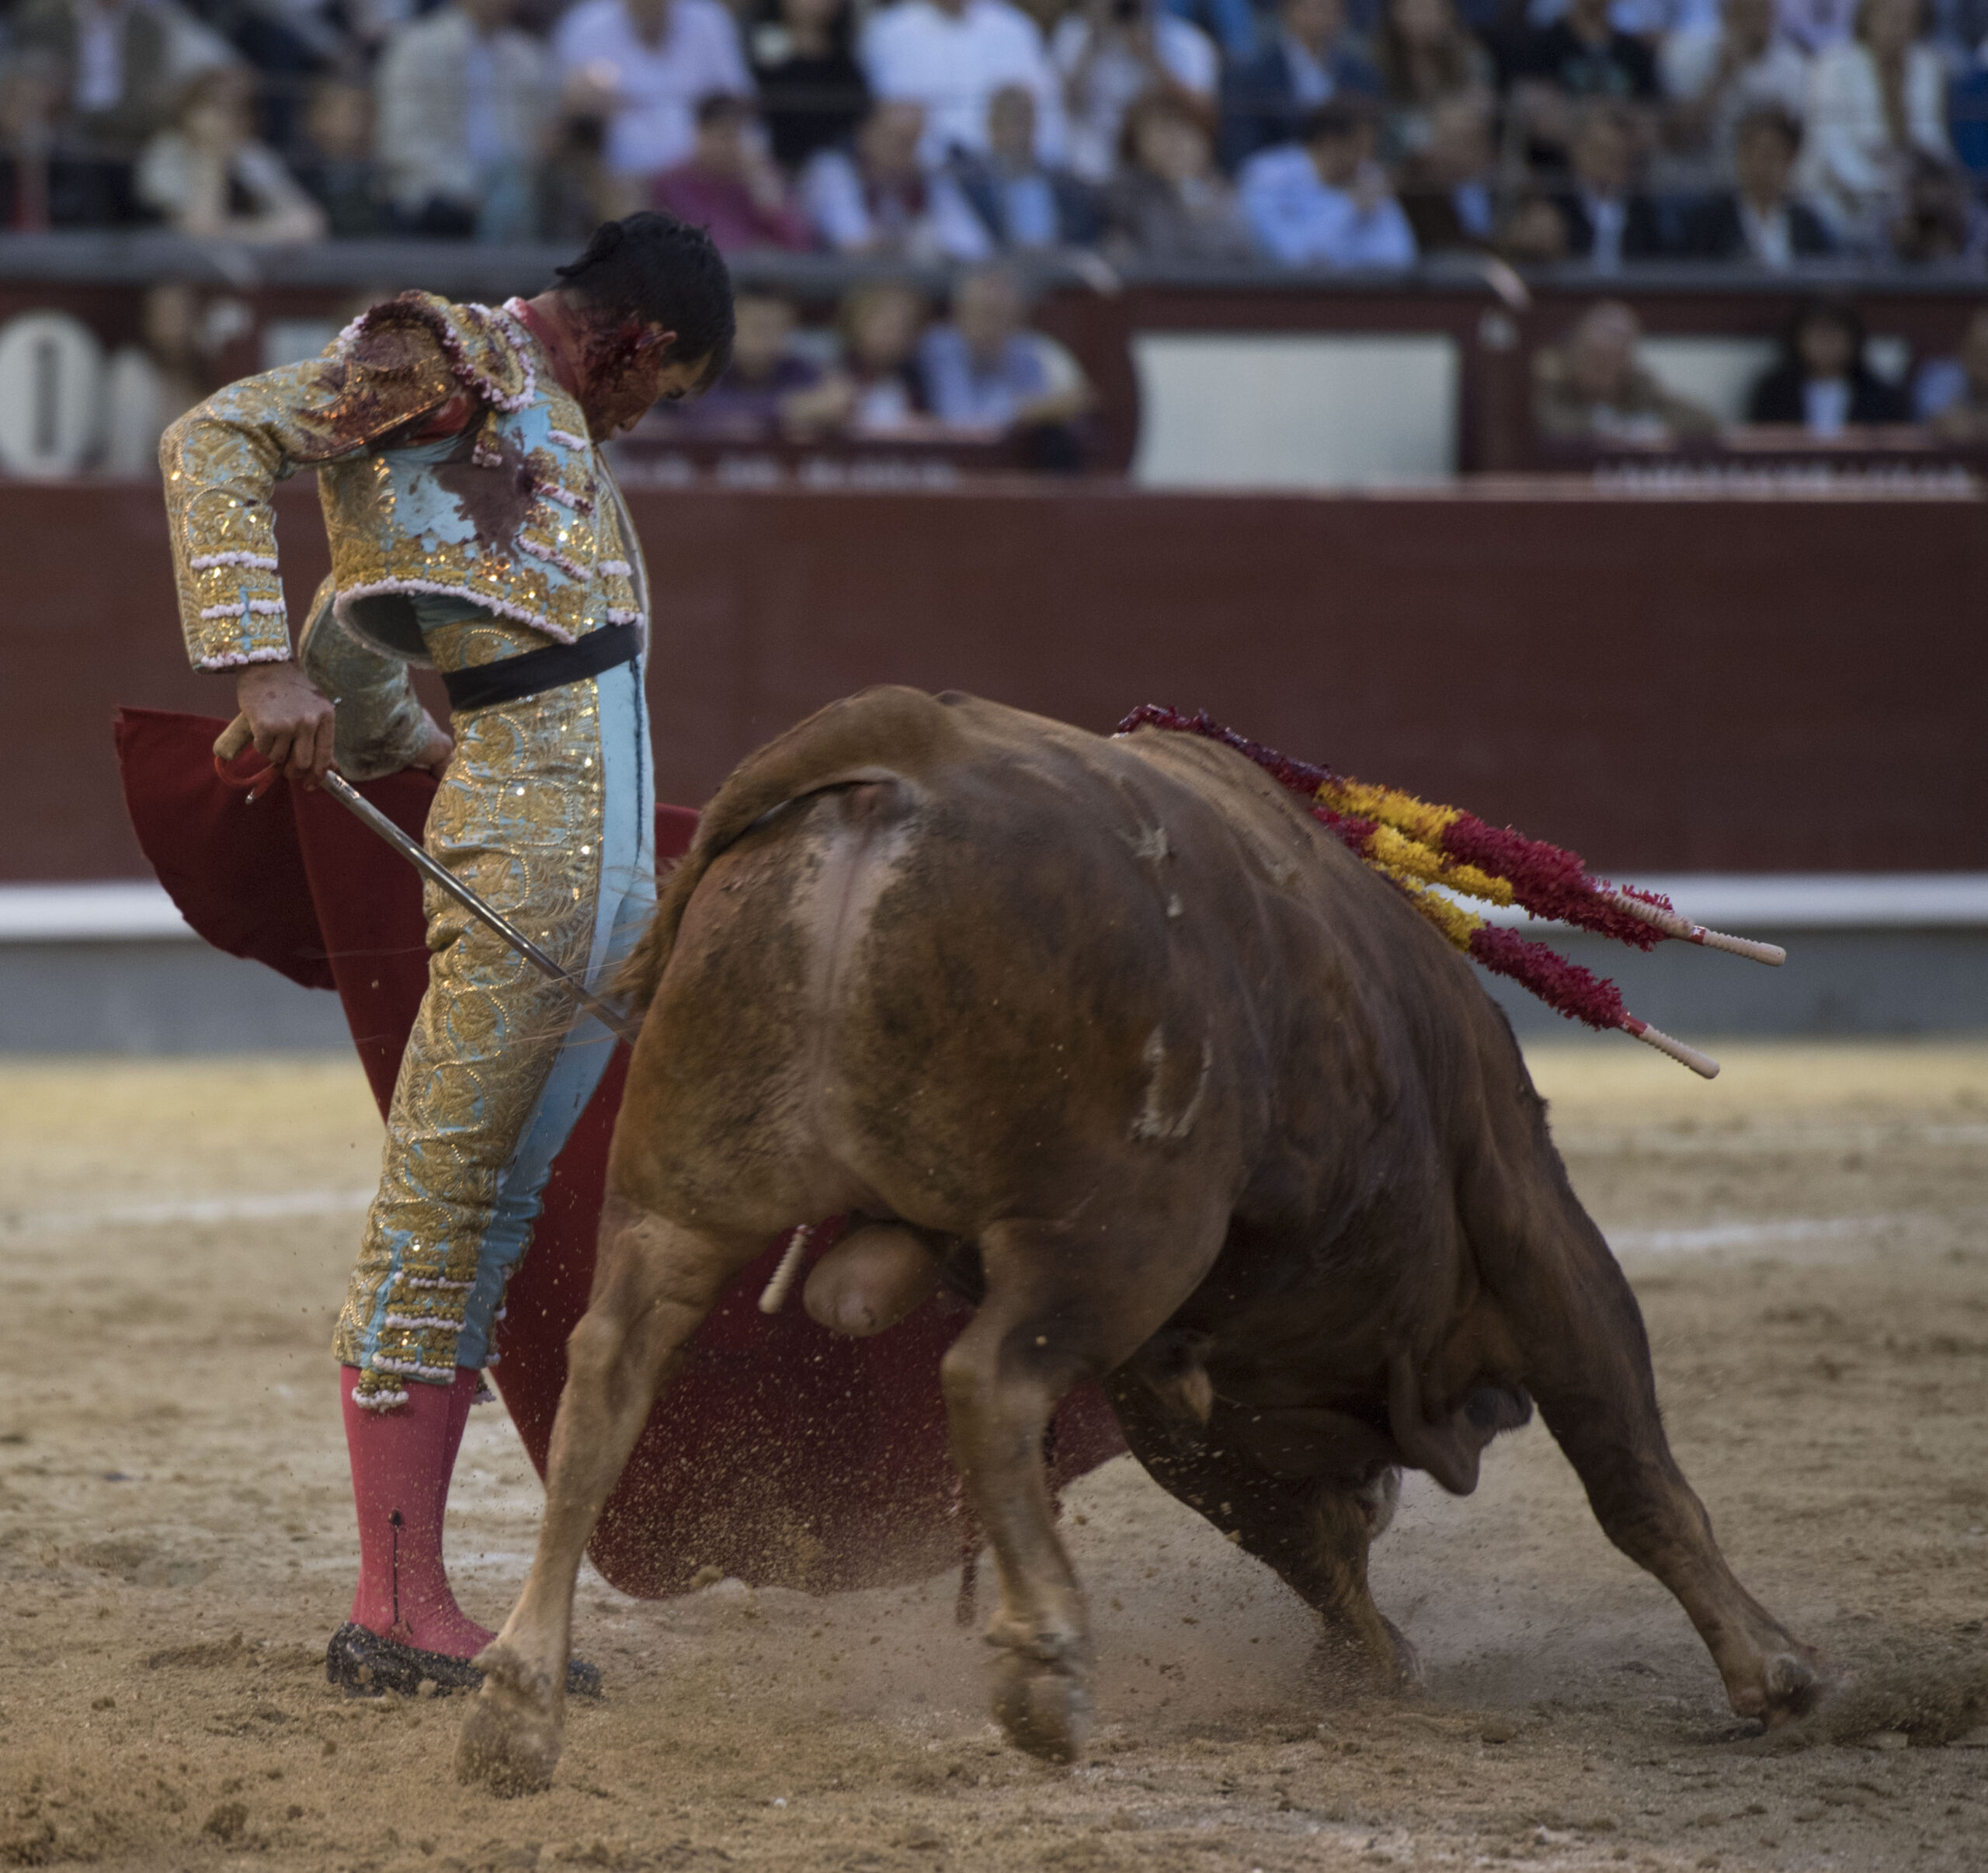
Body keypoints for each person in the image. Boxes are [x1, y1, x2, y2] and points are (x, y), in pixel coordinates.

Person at [156, 211, 734, 1697]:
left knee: (489, 1208)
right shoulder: (446, 351)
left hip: (590, 881)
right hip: (530, 873)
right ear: (641, 341)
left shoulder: (525, 413)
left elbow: (373, 629)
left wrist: (374, 721)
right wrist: (255, 661)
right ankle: (394, 1605)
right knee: (444, 1199)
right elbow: (213, 438)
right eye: (654, 394)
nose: (638, 421)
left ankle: (415, 1594)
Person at [375, 0, 552, 242]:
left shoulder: (528, 55)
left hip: (513, 198)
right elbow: (402, 143)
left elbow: (540, 140)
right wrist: (473, 187)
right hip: (435, 199)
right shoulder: (416, 46)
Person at [1797, 0, 1952, 244]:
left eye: (1909, 19)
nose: (1901, 27)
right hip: (1838, 201)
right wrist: (1891, 195)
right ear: (1867, 17)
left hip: (1911, 203)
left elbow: (1933, 144)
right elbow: (1835, 154)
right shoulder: (1833, 65)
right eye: (1893, 17)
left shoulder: (1926, 65)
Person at [553, 0, 752, 181]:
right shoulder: (585, 26)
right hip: (621, 178)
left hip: (708, 172)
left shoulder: (709, 19)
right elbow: (568, 112)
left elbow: (738, 99)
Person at [917, 263, 1094, 464]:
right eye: (985, 312)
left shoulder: (1023, 351)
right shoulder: (941, 346)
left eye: (1003, 315)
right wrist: (1029, 410)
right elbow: (960, 423)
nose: (993, 325)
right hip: (947, 469)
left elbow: (1043, 413)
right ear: (959, 311)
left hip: (1010, 466)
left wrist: (1042, 410)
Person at [858, 0, 1064, 166]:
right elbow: (886, 127)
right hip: (930, 182)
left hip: (1004, 177)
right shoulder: (889, 32)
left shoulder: (1014, 27)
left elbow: (1046, 116)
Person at [135, 64, 326, 242]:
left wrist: (233, 233)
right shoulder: (167, 150)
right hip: (175, 262)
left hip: (243, 260)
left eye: (235, 111)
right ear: (189, 109)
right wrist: (210, 159)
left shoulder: (249, 153)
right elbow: (198, 228)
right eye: (213, 107)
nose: (224, 120)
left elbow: (308, 222)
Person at [1049, 0, 1219, 183]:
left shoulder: (1187, 42)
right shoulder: (1072, 34)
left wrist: (1150, 57)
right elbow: (1062, 107)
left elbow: (1201, 117)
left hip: (1157, 161)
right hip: (1091, 161)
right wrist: (1094, 40)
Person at [1237, 97, 1419, 266]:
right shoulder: (1267, 176)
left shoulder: (1368, 176)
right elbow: (1290, 256)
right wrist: (1349, 208)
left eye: (1369, 150)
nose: (1364, 159)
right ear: (1328, 141)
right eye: (1358, 148)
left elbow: (1400, 255)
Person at [655, 288, 855, 437]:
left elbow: (837, 400)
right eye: (758, 328)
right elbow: (704, 412)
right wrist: (786, 409)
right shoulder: (700, 367)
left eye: (779, 329)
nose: (768, 338)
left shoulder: (795, 368)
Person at [933, 82, 1102, 252]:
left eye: (1024, 121)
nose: (1018, 133)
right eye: (1009, 122)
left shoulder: (1063, 183)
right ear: (991, 127)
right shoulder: (974, 185)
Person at [1218, 0, 1382, 171]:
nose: (1322, 14)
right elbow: (1242, 153)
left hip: (1348, 184)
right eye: (1314, 6)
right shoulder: (1250, 76)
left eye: (1332, 8)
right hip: (1275, 188)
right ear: (1289, 9)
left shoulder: (1362, 76)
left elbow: (1370, 147)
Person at [1100, 85, 1256, 261]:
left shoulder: (1224, 195)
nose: (1175, 142)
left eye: (1187, 130)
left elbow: (1239, 259)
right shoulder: (1120, 199)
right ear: (1136, 143)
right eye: (1162, 130)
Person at [1532, 299, 1719, 441]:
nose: (1605, 369)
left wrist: (1644, 426)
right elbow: (1542, 420)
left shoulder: (1637, 386)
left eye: (1615, 361)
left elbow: (1705, 421)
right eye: (1597, 359)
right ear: (1576, 351)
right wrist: (1601, 425)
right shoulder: (1550, 380)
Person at [1659, 0, 1811, 170]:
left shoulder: (1795, 67)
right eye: (1744, 13)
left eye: (1759, 12)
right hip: (1708, 175)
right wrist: (1721, 76)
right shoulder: (1692, 56)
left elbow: (1801, 142)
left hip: (1768, 177)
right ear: (1725, 16)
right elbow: (1679, 138)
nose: (1752, 22)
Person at [652, 92, 813, 248]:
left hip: (758, 273)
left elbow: (799, 246)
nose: (725, 146)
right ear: (699, 134)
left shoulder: (762, 176)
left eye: (734, 135)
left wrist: (770, 203)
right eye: (720, 135)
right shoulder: (673, 182)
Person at [1680, 103, 1834, 259]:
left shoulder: (1807, 225)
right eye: (1753, 152)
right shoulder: (1710, 223)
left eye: (1772, 155)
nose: (1761, 165)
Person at [800, 97, 946, 252]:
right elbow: (853, 245)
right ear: (864, 131)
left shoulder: (920, 178)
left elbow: (962, 243)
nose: (906, 153)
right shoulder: (830, 168)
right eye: (896, 139)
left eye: (913, 142)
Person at [1745, 295, 1910, 428]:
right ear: (1797, 339)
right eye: (1817, 334)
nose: (1826, 344)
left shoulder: (1880, 396)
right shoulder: (1773, 393)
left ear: (1854, 340)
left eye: (1835, 334)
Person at [747, 0, 871, 169]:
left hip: (837, 163)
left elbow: (860, 112)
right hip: (775, 160)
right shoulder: (762, 46)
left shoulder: (845, 55)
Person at [1547, 101, 1669, 267]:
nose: (1609, 161)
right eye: (1600, 151)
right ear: (1576, 150)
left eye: (1617, 153)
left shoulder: (1642, 212)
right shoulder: (1555, 205)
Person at [1372, 0, 1493, 162]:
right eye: (1413, 9)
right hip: (1395, 153)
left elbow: (1480, 105)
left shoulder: (1469, 58)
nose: (1421, 18)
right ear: (1395, 12)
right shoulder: (1376, 60)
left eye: (1429, 9)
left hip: (1456, 151)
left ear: (1447, 12)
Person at [1395, 88, 1498, 250]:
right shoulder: (1416, 189)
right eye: (1449, 142)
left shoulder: (1506, 182)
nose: (1457, 153)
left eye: (1468, 142)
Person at [291, 78, 392, 238]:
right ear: (318, 116)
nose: (361, 124)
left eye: (369, 113)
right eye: (352, 112)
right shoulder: (296, 181)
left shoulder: (386, 187)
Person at [835, 277, 937, 430]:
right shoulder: (833, 375)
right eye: (885, 326)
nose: (893, 337)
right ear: (856, 323)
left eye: (903, 327)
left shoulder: (921, 381)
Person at [1912, 302, 1988, 439]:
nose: (1985, 365)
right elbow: (1950, 425)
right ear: (1965, 349)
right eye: (1981, 354)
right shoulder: (1940, 376)